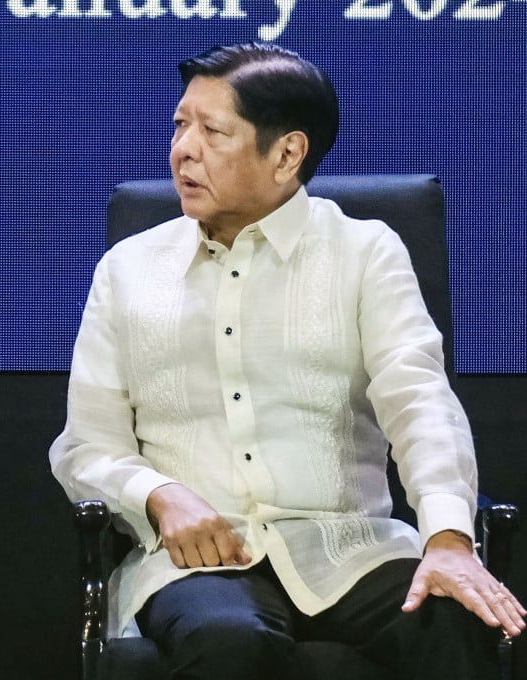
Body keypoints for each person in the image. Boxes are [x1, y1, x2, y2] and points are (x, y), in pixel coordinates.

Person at [50, 41, 524, 679]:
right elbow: (87, 446)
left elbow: (420, 403)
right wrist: (159, 494)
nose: (183, 149)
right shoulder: (129, 269)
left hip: (350, 549)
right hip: (202, 562)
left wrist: (446, 537)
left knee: (457, 618)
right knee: (227, 642)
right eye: (180, 125)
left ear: (288, 154)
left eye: (212, 131)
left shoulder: (365, 253)